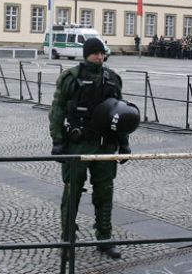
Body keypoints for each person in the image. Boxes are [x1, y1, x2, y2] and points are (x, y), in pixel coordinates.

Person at [49, 38, 131, 259]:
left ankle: (104, 238)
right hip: (78, 143)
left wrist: (124, 143)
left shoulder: (112, 79)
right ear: (86, 54)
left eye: (101, 53)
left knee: (105, 192)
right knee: (72, 192)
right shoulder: (71, 78)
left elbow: (120, 112)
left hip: (105, 145)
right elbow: (57, 109)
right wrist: (57, 140)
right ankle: (67, 240)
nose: (99, 56)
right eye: (94, 53)